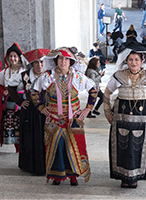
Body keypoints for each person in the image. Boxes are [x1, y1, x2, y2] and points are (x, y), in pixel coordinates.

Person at [103, 42, 146, 188]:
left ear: (142, 61)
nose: (133, 62)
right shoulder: (119, 76)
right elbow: (106, 93)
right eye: (130, 59)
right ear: (126, 60)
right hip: (121, 119)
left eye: (136, 59)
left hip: (143, 120)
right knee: (123, 147)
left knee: (137, 148)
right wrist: (107, 112)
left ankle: (136, 177)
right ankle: (124, 178)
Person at [34, 48, 98, 185]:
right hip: (54, 119)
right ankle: (57, 176)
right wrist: (40, 107)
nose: (63, 62)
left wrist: (88, 109)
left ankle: (73, 176)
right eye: (60, 58)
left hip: (73, 119)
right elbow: (35, 90)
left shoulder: (78, 77)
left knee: (73, 147)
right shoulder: (48, 76)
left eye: (66, 59)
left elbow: (93, 89)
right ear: (56, 60)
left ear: (71, 61)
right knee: (57, 148)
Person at [7, 48, 50, 175]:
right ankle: (30, 165)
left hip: (46, 111)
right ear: (32, 64)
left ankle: (47, 164)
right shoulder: (24, 76)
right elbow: (10, 87)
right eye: (36, 63)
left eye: (41, 62)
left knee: (45, 137)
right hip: (30, 112)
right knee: (32, 137)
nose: (39, 65)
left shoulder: (49, 75)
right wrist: (20, 101)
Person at [0, 43, 26, 151]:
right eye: (11, 56)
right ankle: (16, 147)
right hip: (9, 104)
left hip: (22, 103)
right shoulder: (4, 72)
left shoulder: (24, 71)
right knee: (12, 126)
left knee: (22, 125)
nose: (13, 59)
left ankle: (22, 148)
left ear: (19, 58)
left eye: (15, 56)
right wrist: (3, 92)